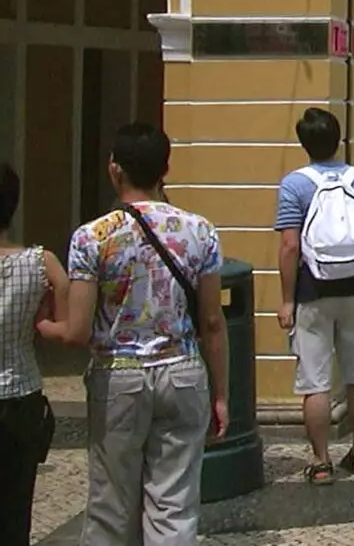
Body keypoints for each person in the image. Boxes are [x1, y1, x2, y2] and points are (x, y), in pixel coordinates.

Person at [42, 123, 228, 545]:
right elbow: (213, 321)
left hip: (118, 378)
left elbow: (77, 330)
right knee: (174, 507)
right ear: (166, 169)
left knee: (111, 506)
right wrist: (220, 394)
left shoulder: (92, 238)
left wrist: (47, 327)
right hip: (182, 373)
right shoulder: (199, 231)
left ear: (114, 169)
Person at [275, 107, 354, 484]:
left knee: (316, 382)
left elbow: (290, 246)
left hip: (313, 292)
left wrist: (287, 299)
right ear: (339, 139)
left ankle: (321, 462)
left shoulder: (295, 184)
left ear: (303, 143)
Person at [1, 163, 68, 544]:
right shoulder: (41, 262)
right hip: (20, 398)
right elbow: (69, 325)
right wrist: (41, 321)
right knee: (15, 512)